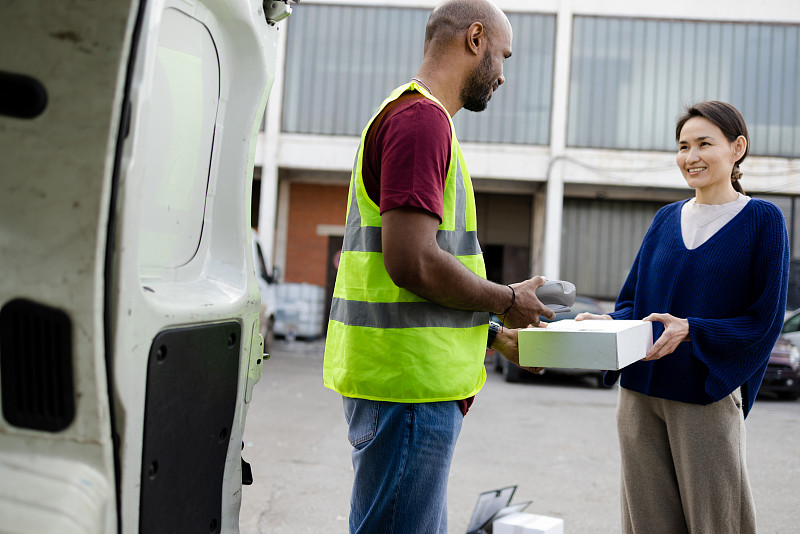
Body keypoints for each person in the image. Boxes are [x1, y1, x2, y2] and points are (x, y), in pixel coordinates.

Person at [322, 1, 554, 532]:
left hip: (404, 386)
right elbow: (414, 263)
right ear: (476, 38)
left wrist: (493, 335)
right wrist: (508, 299)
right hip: (408, 389)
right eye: (503, 55)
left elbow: (413, 279)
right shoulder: (420, 122)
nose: (503, 75)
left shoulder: (415, 118)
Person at [576, 101, 789, 533]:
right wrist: (609, 324)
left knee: (717, 523)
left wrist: (692, 329)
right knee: (646, 524)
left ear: (737, 148)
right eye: (683, 146)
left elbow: (764, 321)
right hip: (638, 396)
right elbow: (633, 303)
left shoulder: (763, 221)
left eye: (704, 144)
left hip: (703, 399)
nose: (690, 157)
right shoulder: (664, 219)